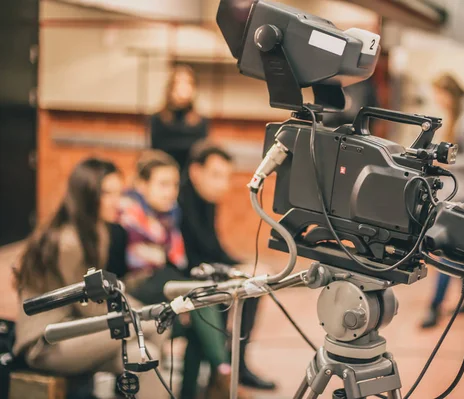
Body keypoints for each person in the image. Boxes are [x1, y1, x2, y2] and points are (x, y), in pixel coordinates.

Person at [12, 158, 168, 399]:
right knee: (149, 328)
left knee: (143, 356)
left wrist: (143, 312)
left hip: (74, 332)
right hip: (46, 343)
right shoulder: (69, 241)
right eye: (107, 193)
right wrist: (142, 316)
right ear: (87, 195)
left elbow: (103, 298)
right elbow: (89, 308)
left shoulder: (95, 232)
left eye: (119, 192)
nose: (117, 201)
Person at [111, 150, 249, 399]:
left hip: (159, 296)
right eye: (163, 184)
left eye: (174, 184)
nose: (171, 191)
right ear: (142, 184)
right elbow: (118, 279)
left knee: (200, 319)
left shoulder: (169, 218)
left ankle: (190, 393)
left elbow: (178, 264)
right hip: (132, 299)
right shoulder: (123, 222)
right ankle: (224, 372)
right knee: (196, 295)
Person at [178, 141, 276, 390]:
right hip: (184, 276)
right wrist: (237, 269)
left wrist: (245, 266)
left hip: (201, 270)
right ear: (195, 172)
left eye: (226, 177)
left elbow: (212, 247)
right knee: (235, 290)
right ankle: (224, 372)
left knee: (251, 286)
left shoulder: (205, 199)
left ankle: (235, 366)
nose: (223, 184)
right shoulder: (181, 201)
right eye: (216, 175)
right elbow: (193, 256)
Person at [421, 73, 464, 329]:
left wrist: (443, 161)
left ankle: (434, 307)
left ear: (451, 93)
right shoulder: (458, 116)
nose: (438, 100)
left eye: (440, 94)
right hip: (454, 195)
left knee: (446, 254)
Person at [151, 65, 209, 170]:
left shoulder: (201, 122)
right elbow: (154, 155)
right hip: (165, 176)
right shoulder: (157, 119)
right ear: (170, 88)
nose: (183, 88)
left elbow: (200, 159)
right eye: (179, 83)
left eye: (188, 83)